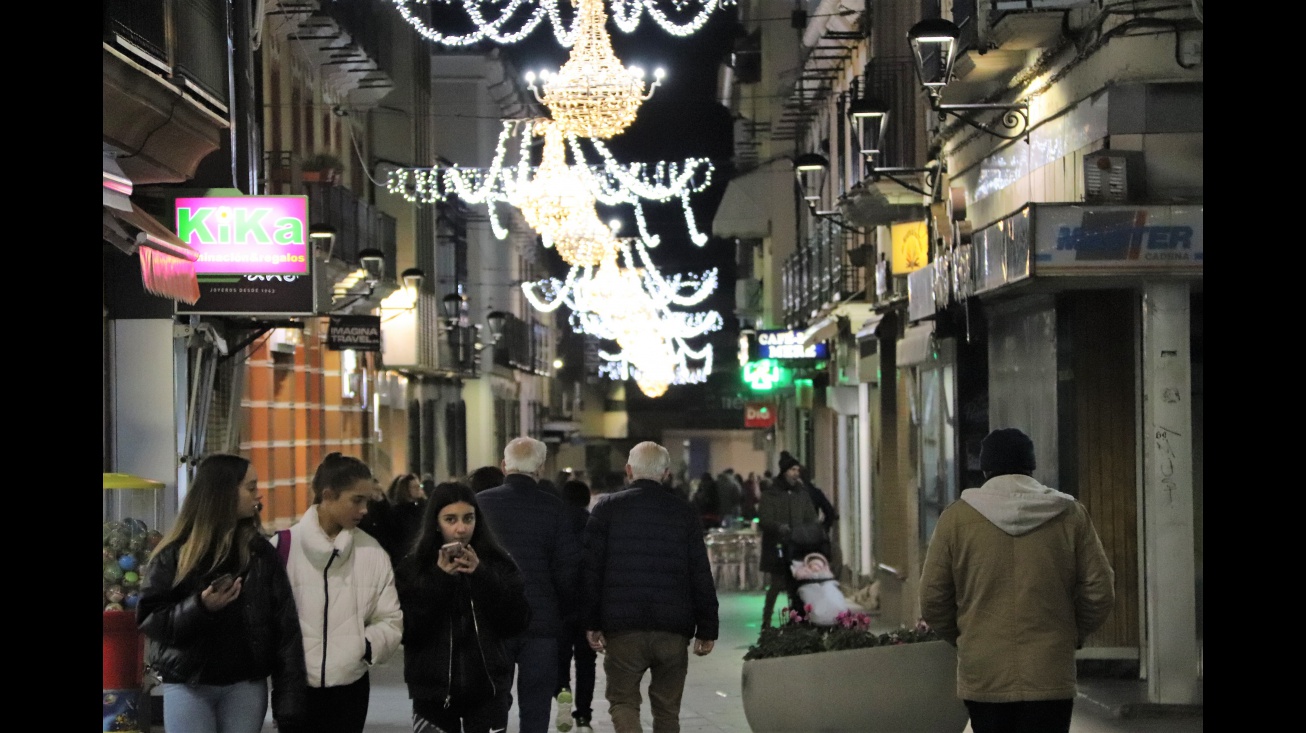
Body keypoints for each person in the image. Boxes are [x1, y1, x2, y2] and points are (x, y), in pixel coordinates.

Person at [920, 428, 1116, 733]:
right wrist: (1071, 633)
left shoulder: (956, 519)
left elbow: (932, 598)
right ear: (1031, 466)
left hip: (984, 669)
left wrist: (966, 637)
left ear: (984, 468)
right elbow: (1100, 591)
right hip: (1050, 669)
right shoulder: (1070, 515)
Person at [136, 453, 306, 733]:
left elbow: (286, 630)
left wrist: (289, 702)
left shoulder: (261, 554)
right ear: (224, 492)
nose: (258, 495)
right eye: (250, 487)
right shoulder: (174, 555)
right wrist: (200, 608)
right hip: (188, 684)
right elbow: (151, 620)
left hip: (245, 685)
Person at [582, 441, 719, 733]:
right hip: (673, 628)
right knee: (668, 709)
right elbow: (700, 571)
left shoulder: (606, 509)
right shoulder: (683, 512)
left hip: (623, 627)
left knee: (622, 701)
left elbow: (591, 571)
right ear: (667, 473)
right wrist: (707, 627)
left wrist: (592, 622)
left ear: (629, 470)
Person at [275, 452, 404, 733]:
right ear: (328, 495)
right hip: (295, 687)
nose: (365, 509)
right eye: (357, 500)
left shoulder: (372, 552)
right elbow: (266, 616)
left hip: (350, 689)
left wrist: (364, 647)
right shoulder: (282, 547)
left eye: (367, 501)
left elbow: (390, 619)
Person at [394, 482, 532, 733]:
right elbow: (407, 628)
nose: (461, 528)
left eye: (468, 518)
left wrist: (482, 576)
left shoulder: (497, 562)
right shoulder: (414, 568)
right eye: (450, 519)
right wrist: (439, 579)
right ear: (436, 523)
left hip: (488, 690)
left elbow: (517, 620)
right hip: (433, 693)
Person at [476, 437, 583, 733]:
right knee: (536, 710)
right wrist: (566, 612)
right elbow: (567, 570)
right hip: (542, 622)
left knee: (492, 702)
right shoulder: (554, 508)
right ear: (541, 469)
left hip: (493, 622)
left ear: (503, 466)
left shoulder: (481, 505)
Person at [756, 452, 823, 628]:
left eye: (797, 469)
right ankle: (766, 621)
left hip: (798, 546)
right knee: (777, 584)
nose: (796, 473)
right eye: (793, 469)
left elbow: (811, 517)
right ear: (785, 471)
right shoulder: (772, 494)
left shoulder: (801, 494)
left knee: (797, 586)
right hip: (777, 546)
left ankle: (798, 620)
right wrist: (779, 527)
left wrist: (811, 532)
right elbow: (764, 519)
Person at [555, 479, 598, 732]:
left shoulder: (555, 524)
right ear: (586, 499)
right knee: (586, 661)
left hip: (560, 605)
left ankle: (563, 695)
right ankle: (584, 715)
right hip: (587, 605)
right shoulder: (594, 524)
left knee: (560, 659)